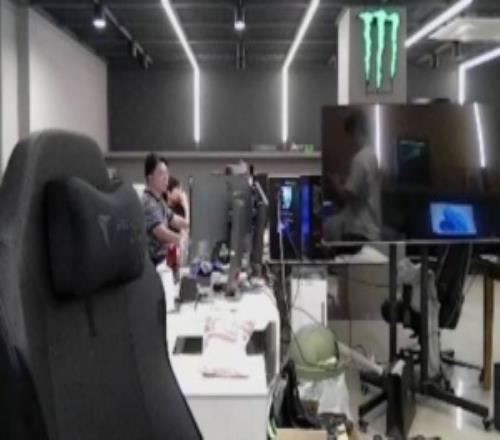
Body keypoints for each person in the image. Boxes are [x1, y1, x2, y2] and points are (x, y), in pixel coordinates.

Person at [324, 110, 381, 243]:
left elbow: (347, 196)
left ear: (356, 131)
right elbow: (363, 188)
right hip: (371, 228)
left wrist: (335, 182)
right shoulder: (372, 155)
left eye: (349, 135)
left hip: (360, 231)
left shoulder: (360, 159)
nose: (349, 141)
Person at [142, 153, 189, 266]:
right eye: (161, 173)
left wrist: (185, 204)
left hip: (162, 262)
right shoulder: (148, 201)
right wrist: (181, 239)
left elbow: (179, 222)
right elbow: (161, 233)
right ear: (150, 176)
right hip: (153, 266)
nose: (166, 177)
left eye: (167, 173)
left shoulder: (160, 202)